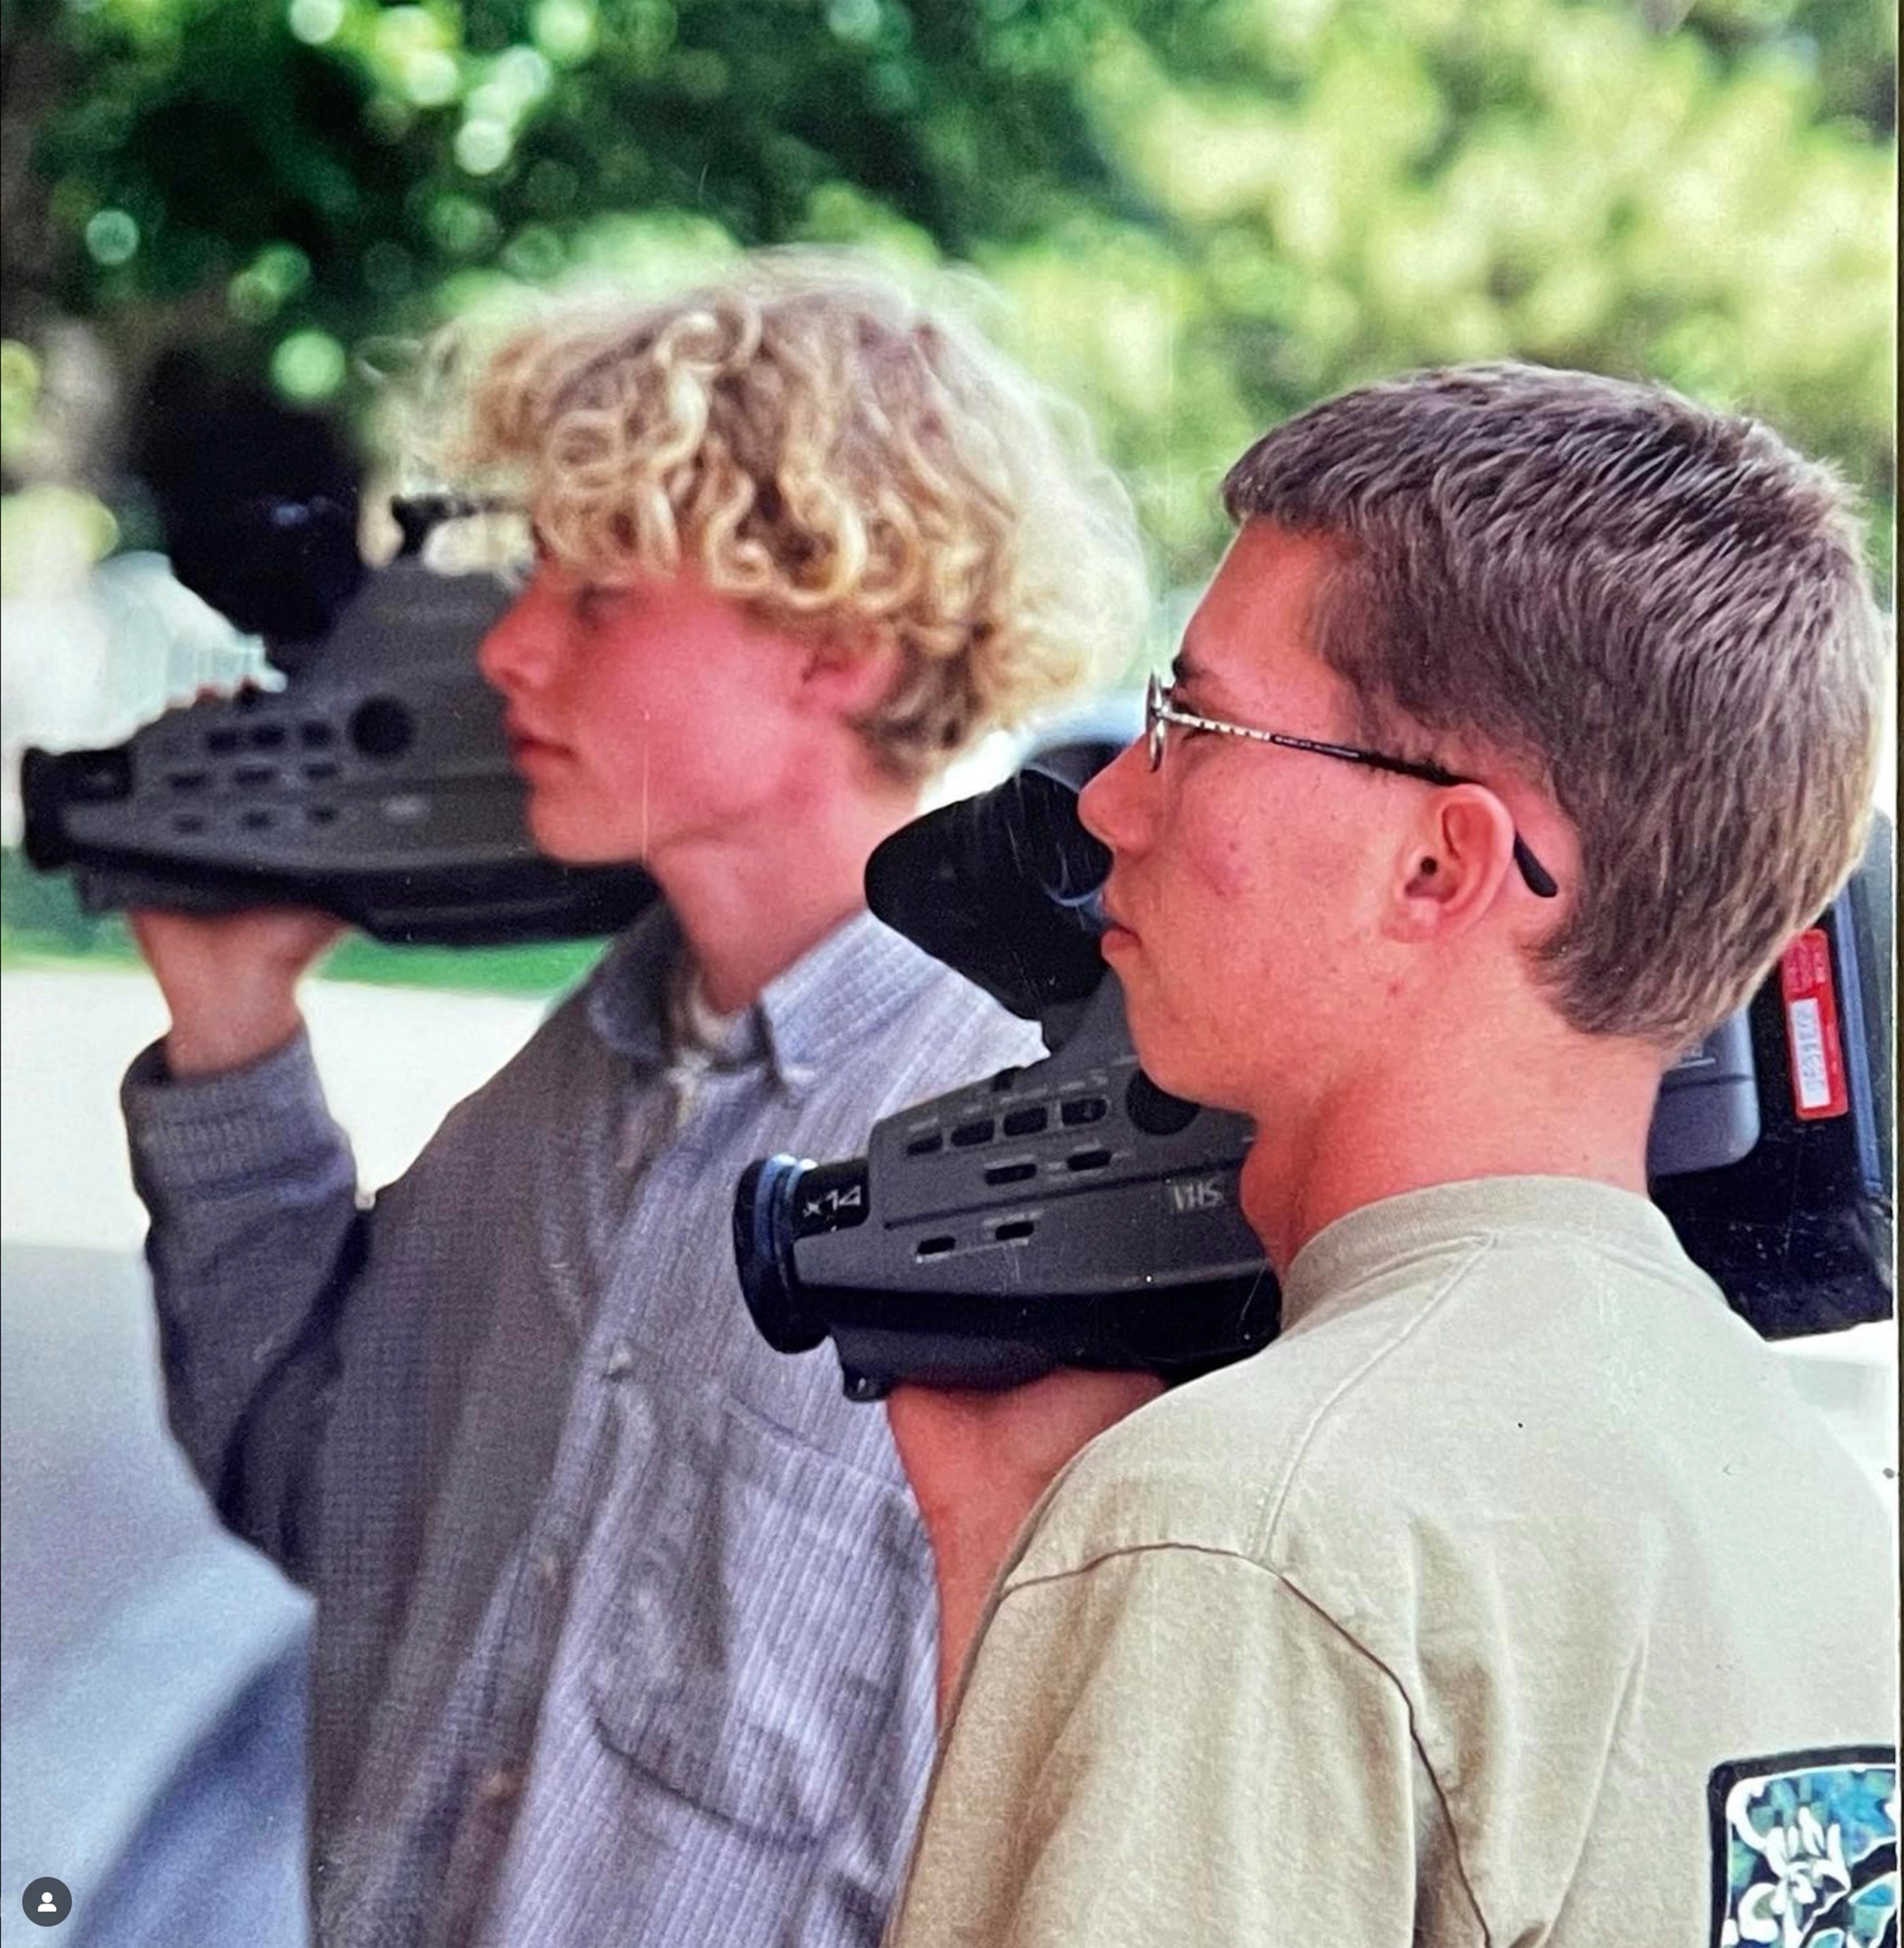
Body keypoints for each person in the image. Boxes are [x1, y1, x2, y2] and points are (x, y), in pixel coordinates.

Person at [120, 252, 1149, 1948]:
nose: (514, 650)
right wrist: (232, 1030)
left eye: (599, 593)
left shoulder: (1040, 1184)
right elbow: (325, 1494)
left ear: (834, 641)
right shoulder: (561, 1094)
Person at [884, 363, 1898, 1947]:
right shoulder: (1811, 1513)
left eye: (1189, 722)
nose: (1110, 809)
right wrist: (1021, 1565)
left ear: (1438, 865)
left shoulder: (1254, 1525)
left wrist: (1139, 1561)